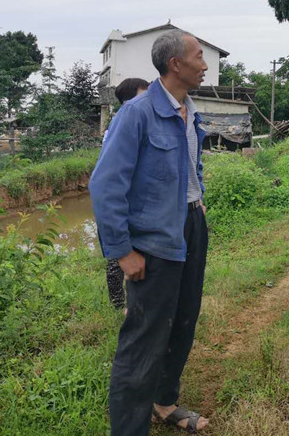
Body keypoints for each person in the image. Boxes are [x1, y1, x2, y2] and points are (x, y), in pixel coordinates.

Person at [89, 31, 210, 435]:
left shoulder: (190, 110)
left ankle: (164, 402)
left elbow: (191, 165)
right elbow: (105, 185)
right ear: (176, 64)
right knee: (143, 338)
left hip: (191, 226)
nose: (205, 65)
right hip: (154, 240)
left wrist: (198, 198)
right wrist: (122, 251)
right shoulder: (137, 113)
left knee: (184, 320)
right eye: (199, 56)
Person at [102, 77, 149, 312]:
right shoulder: (119, 128)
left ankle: (136, 303)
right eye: (144, 95)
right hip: (122, 202)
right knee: (117, 256)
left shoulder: (141, 122)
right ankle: (119, 306)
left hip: (141, 203)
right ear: (129, 101)